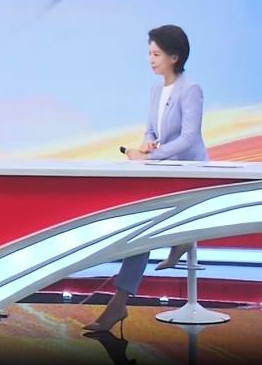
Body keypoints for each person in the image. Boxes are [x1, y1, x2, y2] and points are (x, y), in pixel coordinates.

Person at [84, 24, 209, 333]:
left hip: (189, 173)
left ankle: (180, 237)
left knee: (149, 226)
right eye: (150, 53)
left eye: (157, 54)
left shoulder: (191, 89)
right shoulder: (156, 90)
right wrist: (146, 146)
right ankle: (121, 301)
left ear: (174, 57)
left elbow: (190, 138)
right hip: (163, 170)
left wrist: (152, 157)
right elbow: (151, 130)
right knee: (141, 228)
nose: (151, 60)